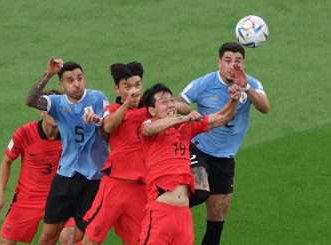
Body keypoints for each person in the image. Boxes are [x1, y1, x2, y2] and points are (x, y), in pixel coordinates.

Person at [176, 42, 271, 245]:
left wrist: (246, 87)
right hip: (198, 147)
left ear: (243, 63)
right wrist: (188, 112)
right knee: (201, 190)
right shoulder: (205, 82)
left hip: (225, 156)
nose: (232, 65)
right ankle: (162, 209)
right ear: (219, 62)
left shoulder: (251, 82)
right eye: (227, 60)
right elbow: (179, 101)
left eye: (237, 61)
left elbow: (265, 108)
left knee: (218, 211)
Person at [138, 82, 241, 245]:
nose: (170, 105)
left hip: (183, 216)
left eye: (172, 100)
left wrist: (234, 100)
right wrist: (183, 118)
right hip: (160, 214)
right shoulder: (149, 125)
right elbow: (149, 130)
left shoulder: (185, 129)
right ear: (152, 110)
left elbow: (222, 117)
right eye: (163, 102)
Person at [25, 58, 109, 245]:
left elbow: (108, 134)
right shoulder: (56, 102)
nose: (76, 84)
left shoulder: (98, 97)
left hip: (93, 179)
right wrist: (48, 74)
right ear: (61, 84)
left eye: (79, 78)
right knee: (48, 236)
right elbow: (30, 100)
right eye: (70, 80)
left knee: (82, 239)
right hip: (65, 177)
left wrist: (99, 122)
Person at [0, 90, 77, 245]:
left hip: (60, 196)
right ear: (41, 112)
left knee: (69, 237)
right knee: (5, 243)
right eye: (50, 110)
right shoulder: (24, 133)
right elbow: (6, 162)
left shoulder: (71, 136)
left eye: (57, 110)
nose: (54, 114)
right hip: (27, 198)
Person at [80, 62, 148, 245]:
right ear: (117, 88)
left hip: (141, 187)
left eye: (137, 85)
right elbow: (109, 126)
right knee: (91, 239)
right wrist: (127, 104)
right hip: (115, 185)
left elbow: (179, 108)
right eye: (127, 87)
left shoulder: (151, 108)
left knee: (137, 240)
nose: (134, 90)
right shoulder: (112, 110)